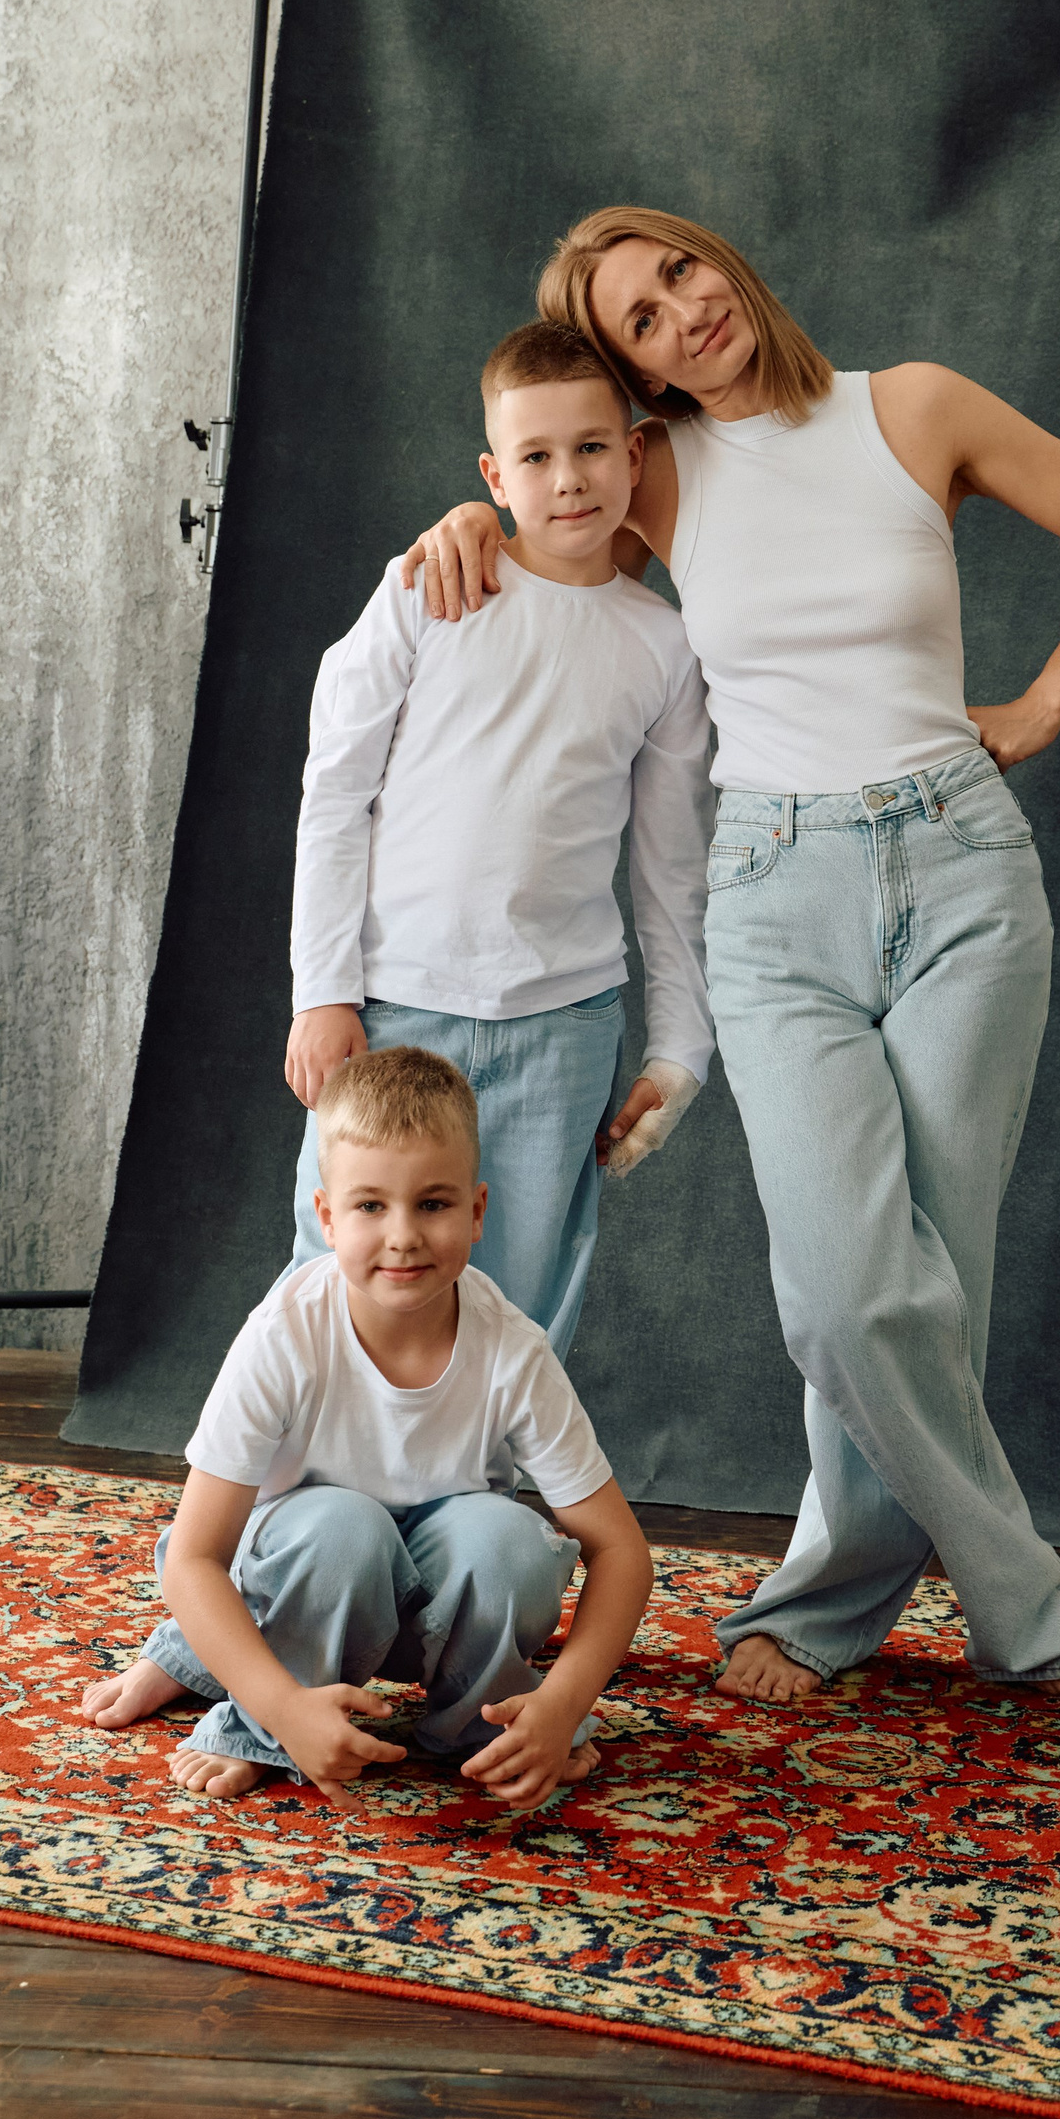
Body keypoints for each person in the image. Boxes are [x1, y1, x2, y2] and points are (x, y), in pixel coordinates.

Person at [404, 208, 1060, 1708]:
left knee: (928, 1280)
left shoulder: (917, 408)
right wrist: (464, 524)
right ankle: (1023, 1597)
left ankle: (827, 1603)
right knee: (844, 1289)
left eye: (679, 272)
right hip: (773, 891)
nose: (683, 312)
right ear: (637, 376)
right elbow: (542, 499)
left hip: (963, 873)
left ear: (718, 259)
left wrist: (1041, 706)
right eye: (641, 322)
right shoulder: (657, 472)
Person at [284, 316, 715, 1361]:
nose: (568, 479)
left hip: (563, 1025)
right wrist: (322, 990)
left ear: (635, 453)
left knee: (520, 1310)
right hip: (398, 1005)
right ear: (494, 472)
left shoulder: (664, 646)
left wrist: (679, 1046)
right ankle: (313, 1467)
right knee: (339, 1287)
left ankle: (488, 1468)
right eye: (536, 456)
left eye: (592, 447)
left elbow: (671, 866)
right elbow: (335, 791)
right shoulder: (428, 589)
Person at [79, 1045, 654, 1808]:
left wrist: (563, 1700)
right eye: (371, 1205)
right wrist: (283, 1708)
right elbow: (191, 1558)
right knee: (342, 1529)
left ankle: (486, 1722)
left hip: (434, 1603)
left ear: (478, 1211)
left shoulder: (513, 1350)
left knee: (508, 1542)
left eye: (434, 1203)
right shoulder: (284, 1334)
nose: (403, 1235)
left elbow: (622, 1551)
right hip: (301, 1576)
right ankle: (255, 1714)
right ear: (326, 1216)